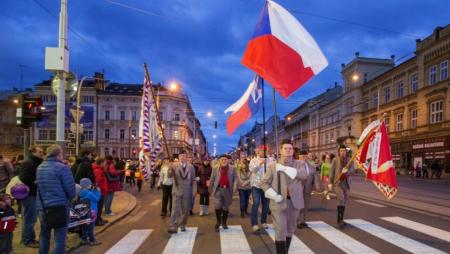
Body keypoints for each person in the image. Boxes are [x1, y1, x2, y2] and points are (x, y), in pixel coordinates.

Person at [260, 139, 308, 254]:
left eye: (290, 148)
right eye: (285, 148)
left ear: (293, 151)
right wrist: (273, 195)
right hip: (278, 202)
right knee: (280, 230)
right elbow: (263, 183)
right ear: (280, 150)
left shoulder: (299, 163)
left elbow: (304, 175)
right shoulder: (272, 166)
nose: (288, 150)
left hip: (294, 202)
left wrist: (286, 169)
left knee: (290, 230)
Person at [36, 144, 76, 254]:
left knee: (44, 233)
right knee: (59, 235)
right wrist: (71, 197)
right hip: (59, 206)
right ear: (59, 154)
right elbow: (71, 189)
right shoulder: (63, 168)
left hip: (43, 206)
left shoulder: (40, 167)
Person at [18, 145, 44, 248]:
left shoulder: (33, 162)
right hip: (29, 195)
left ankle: (30, 238)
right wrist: (35, 184)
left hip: (32, 194)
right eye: (40, 152)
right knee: (30, 218)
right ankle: (27, 240)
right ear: (33, 152)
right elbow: (23, 178)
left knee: (30, 218)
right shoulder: (29, 163)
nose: (42, 153)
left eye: (42, 152)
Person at [168, 151, 196, 234]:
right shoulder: (174, 165)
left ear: (187, 157)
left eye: (184, 156)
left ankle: (183, 224)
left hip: (187, 191)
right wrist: (170, 169)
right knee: (175, 209)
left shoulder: (191, 167)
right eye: (181, 156)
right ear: (179, 157)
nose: (182, 157)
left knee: (185, 210)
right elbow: (169, 175)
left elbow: (193, 180)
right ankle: (173, 225)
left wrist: (194, 191)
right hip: (177, 190)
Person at [329, 144, 355, 229]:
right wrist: (330, 183)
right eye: (341, 151)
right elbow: (332, 171)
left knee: (343, 202)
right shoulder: (335, 160)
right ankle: (339, 221)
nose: (343, 152)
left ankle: (340, 219)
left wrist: (346, 171)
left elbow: (352, 171)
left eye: (344, 151)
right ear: (339, 152)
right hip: (338, 184)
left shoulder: (350, 160)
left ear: (346, 152)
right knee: (341, 199)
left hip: (346, 184)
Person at [209, 154, 237, 232]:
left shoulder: (233, 168)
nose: (224, 161)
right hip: (218, 189)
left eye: (225, 159)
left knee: (226, 207)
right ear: (219, 161)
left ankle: (224, 222)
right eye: (222, 160)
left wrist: (234, 188)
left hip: (228, 190)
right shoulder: (215, 168)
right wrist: (210, 190)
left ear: (227, 160)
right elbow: (212, 179)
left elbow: (236, 179)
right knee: (217, 205)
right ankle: (218, 222)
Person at [249, 145, 271, 233]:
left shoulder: (271, 160)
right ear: (258, 151)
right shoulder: (253, 160)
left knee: (266, 204)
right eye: (262, 150)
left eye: (265, 150)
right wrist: (260, 163)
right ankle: (254, 224)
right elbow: (252, 170)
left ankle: (264, 221)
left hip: (266, 185)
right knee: (256, 203)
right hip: (256, 185)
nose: (264, 152)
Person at [79, 178, 101, 246]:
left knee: (84, 226)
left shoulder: (81, 192)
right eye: (90, 184)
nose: (91, 185)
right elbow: (96, 199)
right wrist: (98, 192)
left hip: (84, 212)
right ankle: (92, 240)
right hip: (92, 212)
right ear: (88, 185)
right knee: (91, 227)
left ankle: (84, 239)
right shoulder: (90, 193)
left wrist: (92, 191)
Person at [297, 150, 315, 229]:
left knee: (306, 205)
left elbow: (314, 176)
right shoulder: (295, 165)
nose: (304, 158)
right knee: (299, 205)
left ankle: (303, 221)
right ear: (299, 157)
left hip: (308, 188)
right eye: (302, 157)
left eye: (305, 157)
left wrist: (314, 187)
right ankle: (298, 221)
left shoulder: (310, 166)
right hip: (298, 188)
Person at [92, 158, 108, 226]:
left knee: (100, 206)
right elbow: (98, 182)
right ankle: (97, 221)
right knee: (99, 206)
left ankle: (99, 219)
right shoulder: (98, 171)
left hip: (101, 191)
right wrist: (103, 188)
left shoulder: (99, 170)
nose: (105, 165)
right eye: (104, 163)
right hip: (100, 191)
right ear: (101, 163)